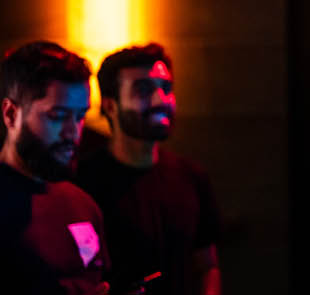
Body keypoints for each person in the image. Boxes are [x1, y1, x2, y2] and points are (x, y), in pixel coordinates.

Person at [76, 43, 221, 295]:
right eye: (143, 90)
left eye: (166, 88)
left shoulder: (192, 177)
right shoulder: (83, 184)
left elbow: (207, 265)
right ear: (110, 106)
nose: (160, 100)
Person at [0, 41, 110, 294]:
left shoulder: (82, 204)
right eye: (57, 116)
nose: (73, 132)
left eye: (80, 116)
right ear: (11, 115)